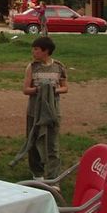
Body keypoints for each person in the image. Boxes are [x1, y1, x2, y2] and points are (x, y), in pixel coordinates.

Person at [15, 36, 68, 181]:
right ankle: (37, 174)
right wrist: (39, 90)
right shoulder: (32, 67)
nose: (33, 52)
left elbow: (65, 88)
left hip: (52, 112)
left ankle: (53, 177)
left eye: (36, 49)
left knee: (52, 144)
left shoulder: (59, 67)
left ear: (46, 51)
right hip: (34, 112)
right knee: (33, 142)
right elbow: (26, 89)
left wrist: (52, 90)